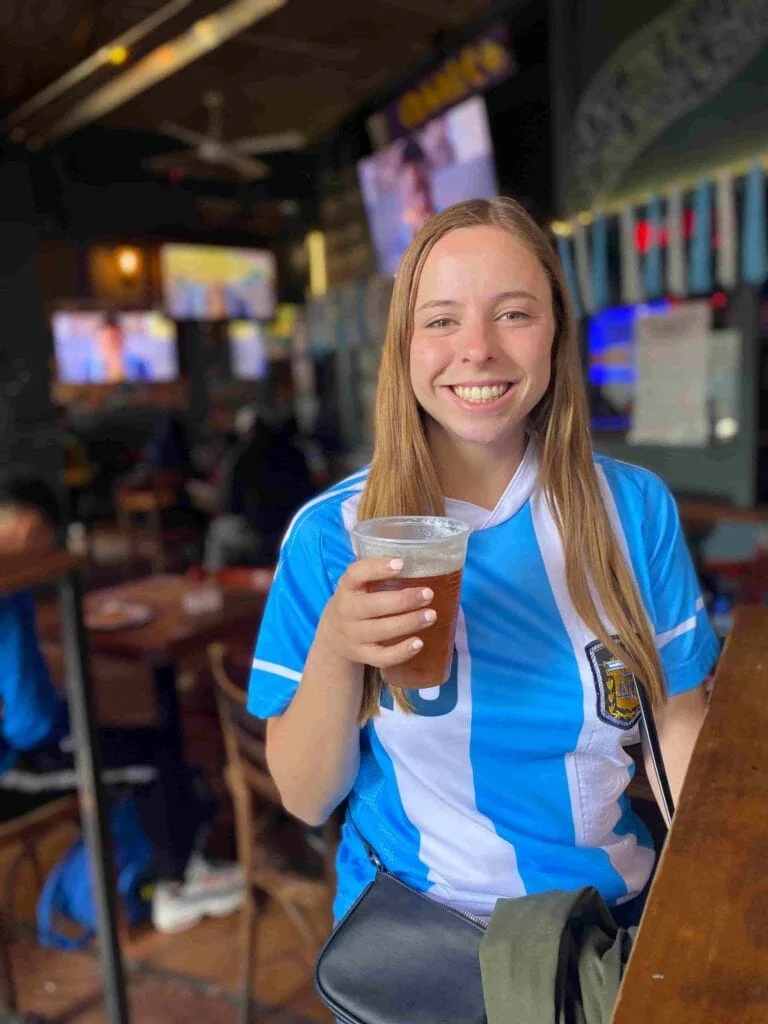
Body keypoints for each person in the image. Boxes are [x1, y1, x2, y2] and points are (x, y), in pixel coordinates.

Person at [247, 198, 719, 940]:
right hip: (421, 943)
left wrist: (720, 871)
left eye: (514, 314)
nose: (478, 350)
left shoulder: (633, 509)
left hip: (607, 925)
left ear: (556, 331)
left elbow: (676, 720)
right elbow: (307, 799)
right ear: (403, 345)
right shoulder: (333, 536)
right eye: (440, 320)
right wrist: (338, 650)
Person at [0, 475, 244, 933]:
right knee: (152, 758)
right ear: (30, 531)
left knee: (133, 740)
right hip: (11, 768)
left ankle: (164, 853)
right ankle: (176, 885)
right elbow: (31, 724)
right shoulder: (8, 586)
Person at [204, 403, 315, 569]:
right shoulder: (296, 454)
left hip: (258, 537)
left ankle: (214, 586)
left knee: (218, 531)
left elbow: (232, 506)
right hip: (295, 531)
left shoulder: (241, 456)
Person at [86, 316, 149, 384]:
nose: (110, 342)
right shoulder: (87, 365)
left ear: (122, 338)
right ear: (98, 339)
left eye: (114, 337)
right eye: (106, 338)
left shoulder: (138, 362)